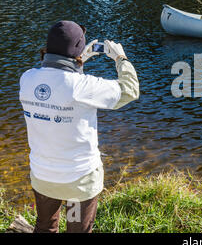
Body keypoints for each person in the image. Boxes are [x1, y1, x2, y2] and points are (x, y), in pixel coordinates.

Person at [19, 21, 139, 233]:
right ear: (76, 51)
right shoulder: (84, 87)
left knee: (45, 226)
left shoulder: (27, 79)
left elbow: (61, 84)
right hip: (78, 181)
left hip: (43, 177)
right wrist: (121, 58)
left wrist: (78, 61)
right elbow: (130, 90)